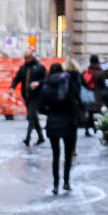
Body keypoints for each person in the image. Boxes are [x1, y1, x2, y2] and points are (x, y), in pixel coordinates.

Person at [42, 62, 79, 194]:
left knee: (55, 154)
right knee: (68, 154)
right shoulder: (69, 83)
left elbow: (41, 106)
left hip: (52, 122)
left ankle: (55, 184)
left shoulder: (46, 85)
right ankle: (67, 181)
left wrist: (50, 111)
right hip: (68, 122)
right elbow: (77, 100)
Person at [10, 50, 46, 146]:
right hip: (27, 96)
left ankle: (28, 137)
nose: (26, 60)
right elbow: (17, 78)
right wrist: (12, 87)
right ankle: (41, 137)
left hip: (36, 96)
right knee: (33, 117)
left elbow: (45, 79)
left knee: (31, 116)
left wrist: (38, 83)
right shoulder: (23, 68)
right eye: (25, 58)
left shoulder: (39, 67)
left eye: (28, 58)